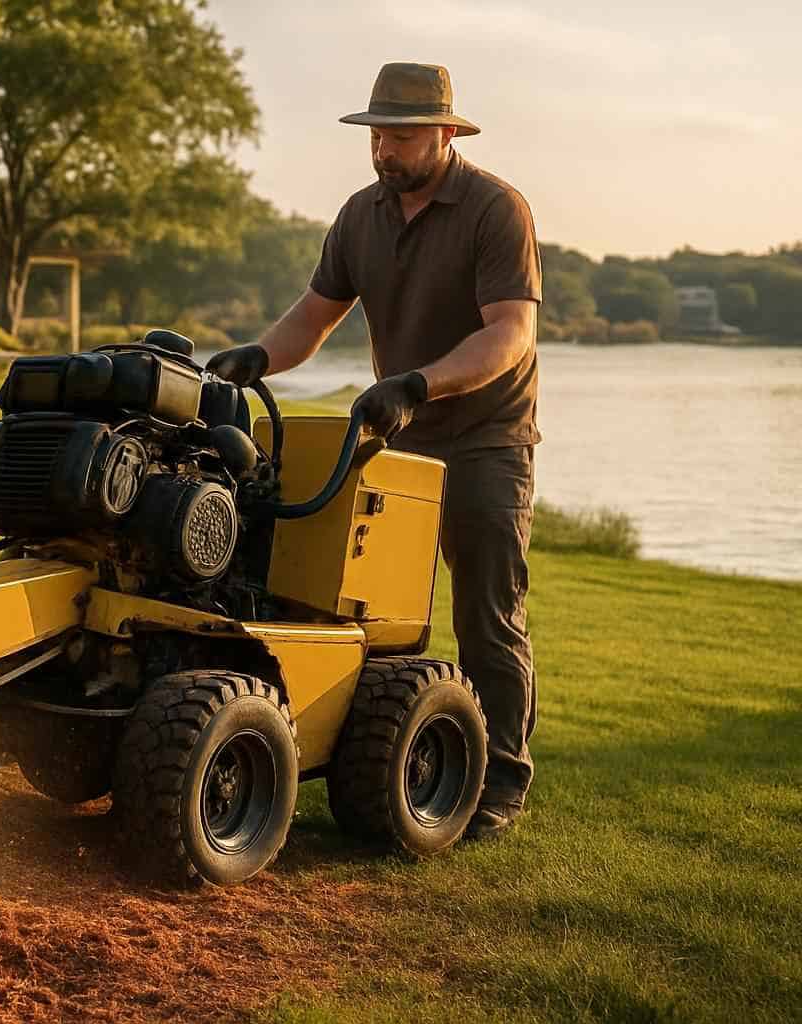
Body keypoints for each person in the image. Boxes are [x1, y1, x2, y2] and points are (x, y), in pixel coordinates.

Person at [207, 62, 541, 840]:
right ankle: (398, 757)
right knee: (372, 607)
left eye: (401, 136)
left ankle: (500, 784)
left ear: (447, 133)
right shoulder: (362, 215)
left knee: (487, 617)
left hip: (487, 438)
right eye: (377, 135)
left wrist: (417, 383)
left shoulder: (496, 209)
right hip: (401, 436)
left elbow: (509, 335)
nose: (385, 150)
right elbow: (313, 317)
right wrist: (255, 357)